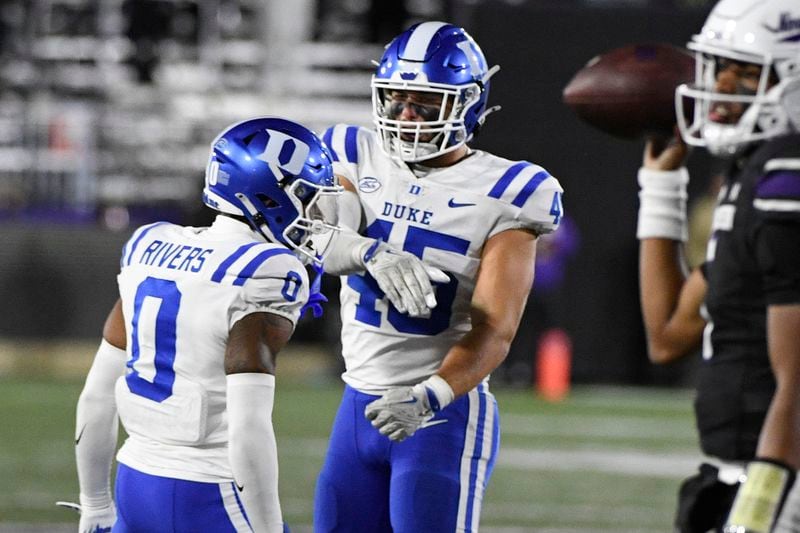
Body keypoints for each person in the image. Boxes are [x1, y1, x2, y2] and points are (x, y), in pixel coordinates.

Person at [312, 21, 564, 532]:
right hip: (355, 403)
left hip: (441, 414)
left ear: (467, 105)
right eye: (396, 99)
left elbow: (495, 330)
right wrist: (369, 252)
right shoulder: (351, 150)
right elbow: (315, 240)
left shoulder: (509, 189)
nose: (406, 115)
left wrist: (429, 397)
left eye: (424, 102)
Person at [71, 116, 342, 533]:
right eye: (306, 196)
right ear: (269, 196)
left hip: (134, 482)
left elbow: (96, 396)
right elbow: (248, 429)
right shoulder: (266, 270)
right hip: (206, 492)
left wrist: (94, 503)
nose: (314, 214)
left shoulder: (151, 247)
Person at [634, 0, 800, 531]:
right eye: (718, 66)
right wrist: (660, 187)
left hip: (780, 474)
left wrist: (766, 495)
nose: (723, 85)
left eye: (746, 72)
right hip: (734, 470)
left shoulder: (786, 175)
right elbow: (668, 335)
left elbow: (799, 376)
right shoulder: (751, 175)